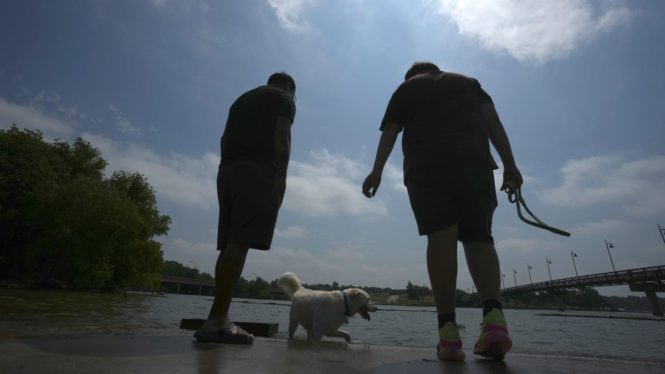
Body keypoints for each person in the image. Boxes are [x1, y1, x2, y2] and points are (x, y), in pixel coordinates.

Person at [362, 62, 522, 361]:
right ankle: (495, 323)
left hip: (427, 167)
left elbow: (391, 131)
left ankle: (448, 335)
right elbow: (493, 122)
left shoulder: (406, 88)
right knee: (479, 238)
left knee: (441, 237)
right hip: (475, 164)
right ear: (437, 69)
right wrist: (510, 166)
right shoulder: (469, 82)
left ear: (412, 75)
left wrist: (376, 172)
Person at [194, 72, 296, 344]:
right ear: (289, 86)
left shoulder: (241, 100)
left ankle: (216, 316)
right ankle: (217, 321)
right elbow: (282, 137)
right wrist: (281, 179)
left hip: (227, 171)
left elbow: (223, 139)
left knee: (229, 244)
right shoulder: (284, 98)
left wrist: (227, 167)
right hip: (257, 172)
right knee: (239, 243)